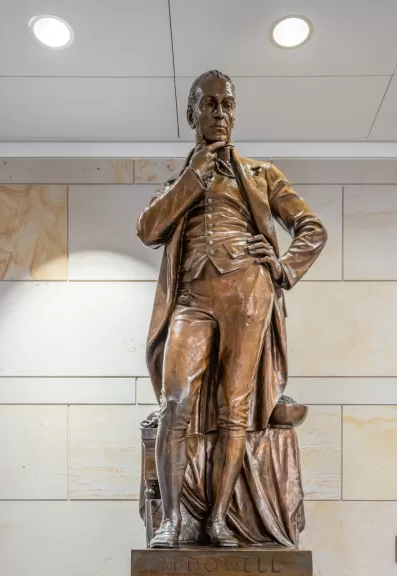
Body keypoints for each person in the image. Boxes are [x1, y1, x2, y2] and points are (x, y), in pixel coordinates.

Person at [137, 70, 327, 548]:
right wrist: (195, 175)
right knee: (174, 404)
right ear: (192, 113)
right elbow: (149, 229)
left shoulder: (263, 175)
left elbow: (312, 229)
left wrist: (283, 267)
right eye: (210, 105)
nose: (221, 114)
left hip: (248, 294)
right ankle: (172, 520)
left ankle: (219, 519)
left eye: (228, 105)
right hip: (192, 299)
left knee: (234, 410)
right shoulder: (176, 183)